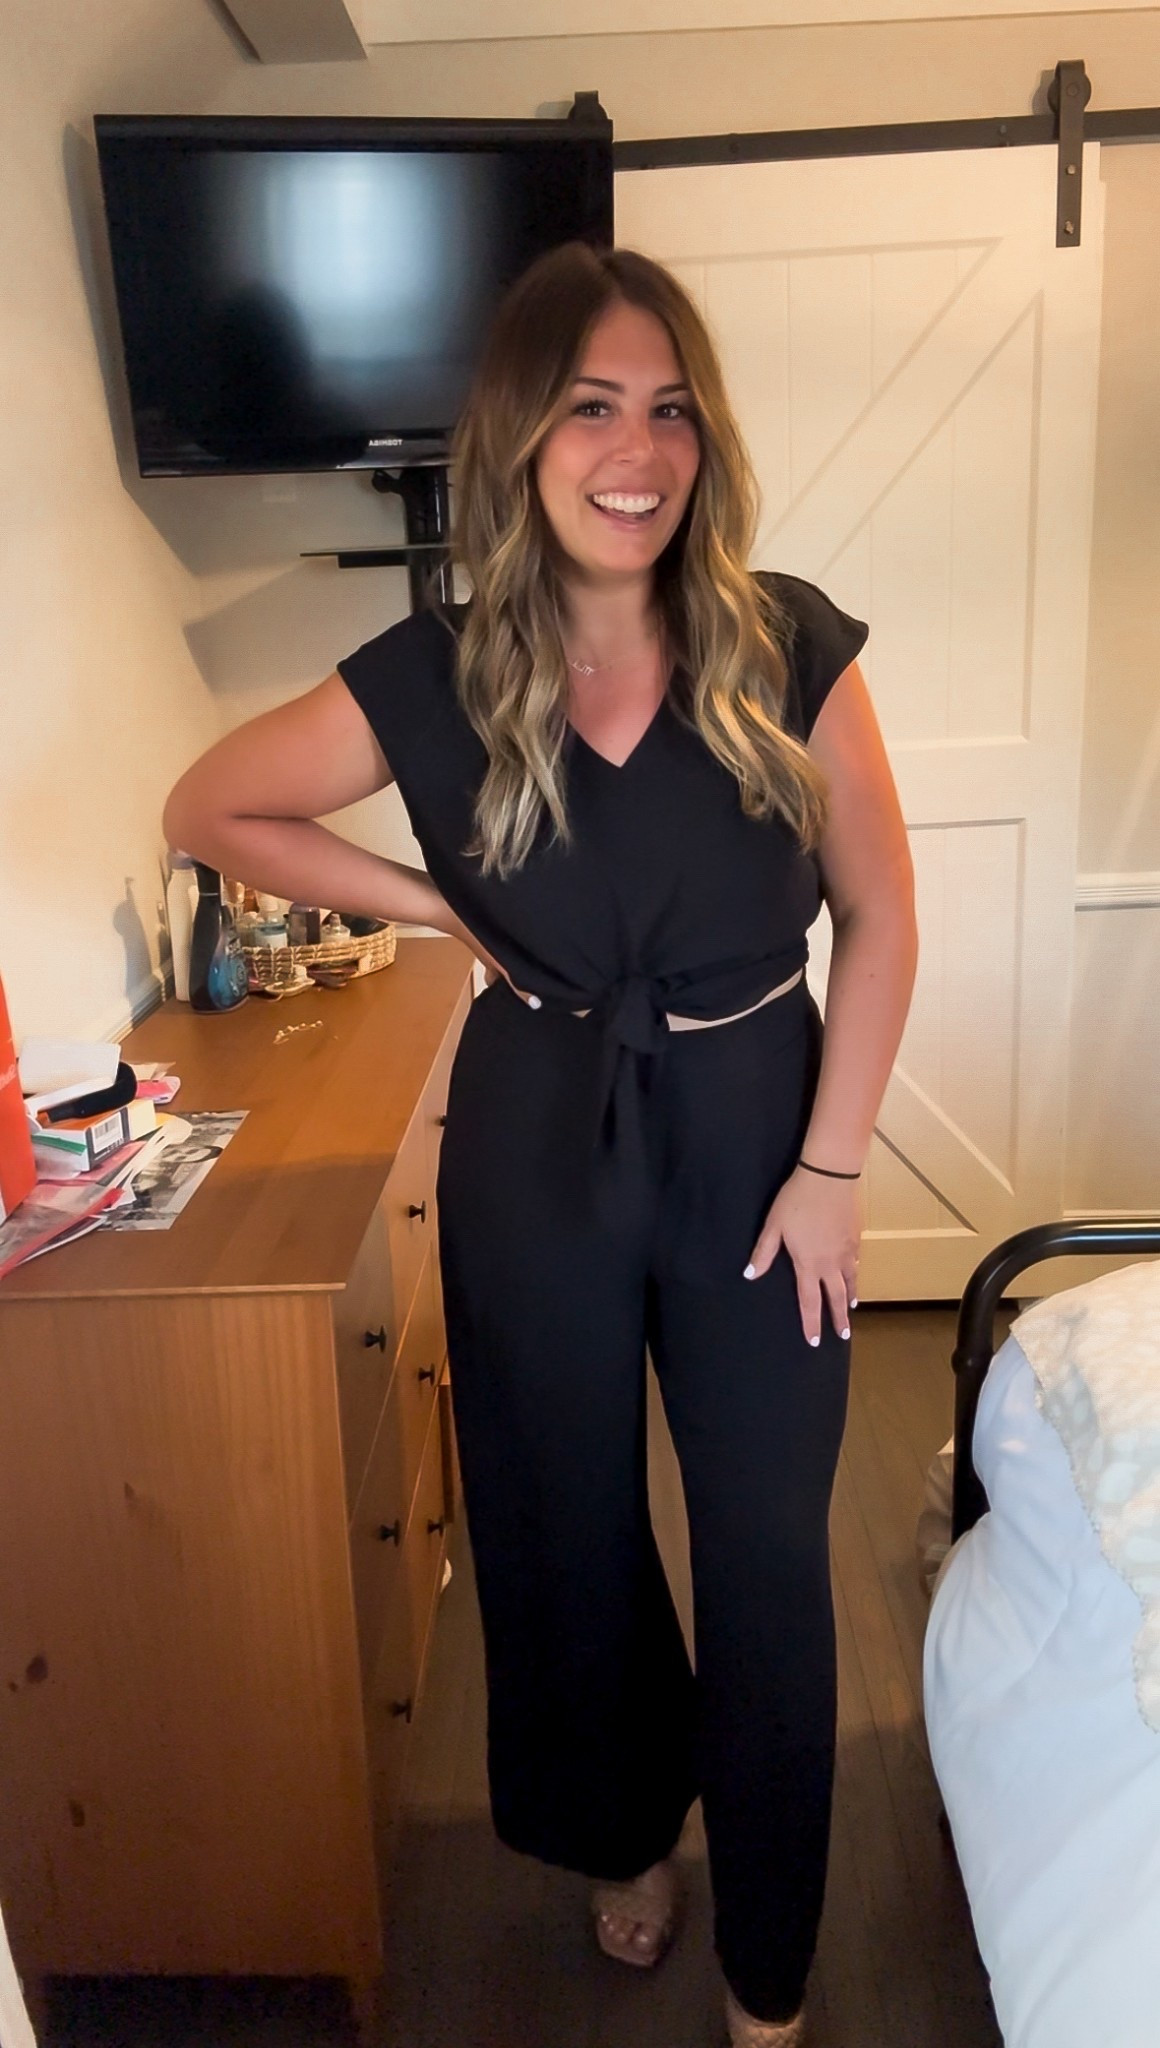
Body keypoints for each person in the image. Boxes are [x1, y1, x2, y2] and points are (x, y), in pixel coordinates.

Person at [164, 242, 917, 2047]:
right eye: (590, 407)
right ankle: (626, 1830)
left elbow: (885, 918)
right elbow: (212, 804)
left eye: (668, 409)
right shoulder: (434, 672)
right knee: (562, 1528)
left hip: (762, 1137)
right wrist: (439, 905)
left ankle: (772, 1959)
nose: (634, 451)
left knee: (765, 1555)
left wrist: (833, 1171)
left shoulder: (787, 640)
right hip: (535, 1131)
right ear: (518, 434)